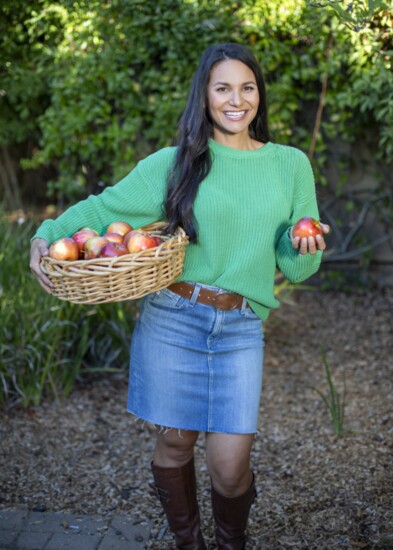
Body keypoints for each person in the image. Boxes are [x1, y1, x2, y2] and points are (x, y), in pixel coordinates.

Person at [30, 42, 329, 549]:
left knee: (232, 466)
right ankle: (188, 543)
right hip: (174, 317)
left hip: (238, 327)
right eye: (223, 88)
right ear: (205, 97)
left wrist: (304, 243)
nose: (237, 100)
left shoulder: (290, 164)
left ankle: (231, 542)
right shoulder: (177, 163)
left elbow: (296, 264)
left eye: (247, 87)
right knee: (173, 441)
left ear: (259, 95)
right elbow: (104, 209)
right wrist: (46, 233)